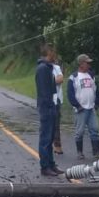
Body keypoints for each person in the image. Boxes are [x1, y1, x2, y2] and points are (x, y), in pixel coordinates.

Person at [66, 54, 99, 160]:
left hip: (91, 108)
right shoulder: (74, 77)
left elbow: (96, 90)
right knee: (79, 131)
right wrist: (77, 105)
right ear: (81, 64)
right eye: (87, 63)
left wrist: (97, 102)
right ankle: (80, 152)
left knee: (95, 129)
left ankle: (96, 151)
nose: (89, 65)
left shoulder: (91, 75)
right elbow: (70, 93)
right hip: (80, 108)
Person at [35, 44, 62, 176]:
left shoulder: (48, 68)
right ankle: (45, 166)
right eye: (53, 53)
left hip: (51, 105)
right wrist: (50, 106)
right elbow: (44, 91)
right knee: (45, 138)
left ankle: (51, 164)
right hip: (46, 107)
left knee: (50, 137)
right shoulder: (42, 69)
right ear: (49, 53)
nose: (55, 55)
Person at [52, 55, 65, 155]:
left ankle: (57, 145)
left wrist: (50, 81)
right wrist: (53, 80)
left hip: (57, 100)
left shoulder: (56, 68)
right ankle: (50, 144)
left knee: (56, 123)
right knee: (49, 124)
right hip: (48, 99)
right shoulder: (43, 68)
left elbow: (60, 79)